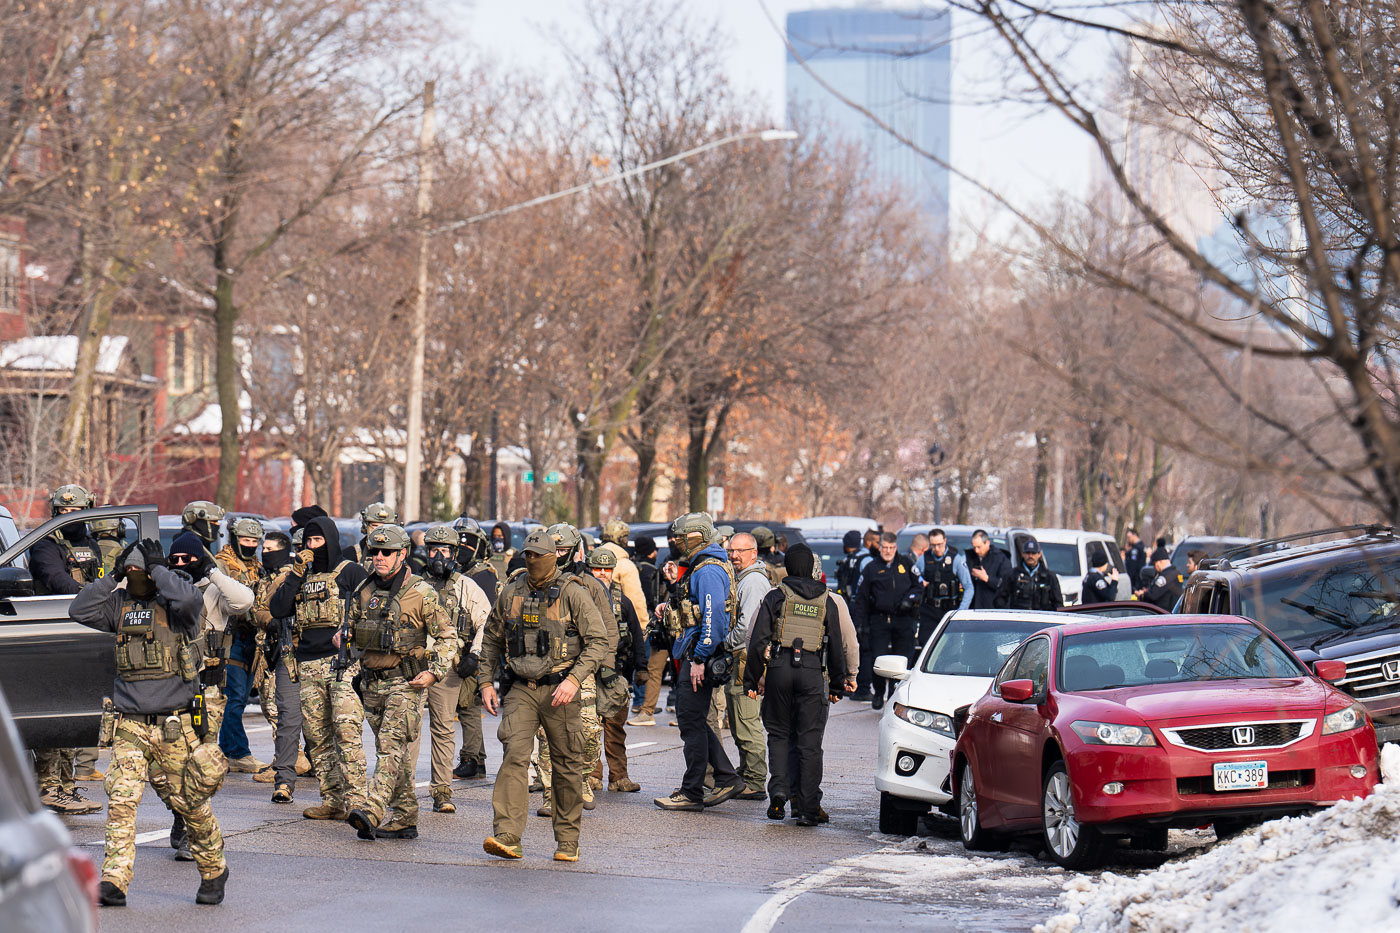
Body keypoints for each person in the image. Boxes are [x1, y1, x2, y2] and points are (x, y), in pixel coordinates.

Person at [70, 538, 228, 907]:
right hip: (130, 725)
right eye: (133, 571)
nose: (137, 577)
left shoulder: (176, 608)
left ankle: (214, 868)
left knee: (190, 803)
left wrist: (158, 568)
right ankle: (114, 881)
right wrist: (112, 576)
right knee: (122, 803)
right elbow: (79, 609)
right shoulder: (119, 606)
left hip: (175, 726)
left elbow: (191, 600)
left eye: (141, 572)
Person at [479, 529, 608, 862]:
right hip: (521, 687)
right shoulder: (510, 593)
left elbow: (598, 641)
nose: (531, 560)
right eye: (528, 554)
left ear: (553, 557)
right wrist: (485, 683)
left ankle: (567, 840)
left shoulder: (572, 593)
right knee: (514, 757)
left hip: (561, 689)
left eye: (538, 555)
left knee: (566, 765)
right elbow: (492, 639)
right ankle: (507, 835)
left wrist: (575, 680)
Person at [344, 524, 460, 841]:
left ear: (402, 554)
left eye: (387, 552)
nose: (379, 557)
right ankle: (406, 815)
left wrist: (435, 671)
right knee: (394, 755)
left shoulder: (421, 592)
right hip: (370, 684)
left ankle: (373, 809)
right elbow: (353, 630)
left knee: (390, 746)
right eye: (375, 552)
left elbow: (450, 639)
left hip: (406, 683)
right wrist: (344, 638)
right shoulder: (364, 590)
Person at [268, 515, 371, 822]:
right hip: (307, 664)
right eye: (308, 542)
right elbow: (278, 609)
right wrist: (297, 573)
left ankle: (358, 801)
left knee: (346, 732)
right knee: (318, 737)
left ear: (330, 539)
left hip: (341, 664)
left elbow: (371, 607)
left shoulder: (350, 571)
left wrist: (357, 644)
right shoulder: (300, 573)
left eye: (318, 541)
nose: (312, 547)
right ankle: (333, 800)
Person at [744, 544, 847, 826]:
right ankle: (808, 809)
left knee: (778, 734)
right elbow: (836, 645)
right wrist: (837, 685)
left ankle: (778, 792)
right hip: (813, 672)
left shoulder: (776, 596)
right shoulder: (827, 600)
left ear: (788, 566)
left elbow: (758, 641)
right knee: (809, 742)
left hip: (779, 670)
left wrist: (751, 680)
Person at [653, 512, 744, 812]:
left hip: (699, 656)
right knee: (695, 721)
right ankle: (727, 777)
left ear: (697, 537)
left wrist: (700, 658)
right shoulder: (701, 566)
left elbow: (713, 617)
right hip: (695, 652)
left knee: (691, 723)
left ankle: (692, 791)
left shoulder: (707, 569)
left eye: (681, 537)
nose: (676, 541)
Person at [30, 484, 105, 812]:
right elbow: (56, 579)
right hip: (52, 634)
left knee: (72, 713)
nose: (68, 517)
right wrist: (90, 596)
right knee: (53, 713)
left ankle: (67, 785)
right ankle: (49, 786)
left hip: (82, 635)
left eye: (76, 512)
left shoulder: (90, 544)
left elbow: (101, 578)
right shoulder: (45, 545)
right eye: (63, 512)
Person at [533, 523, 614, 816]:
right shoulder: (532, 581)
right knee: (547, 735)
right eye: (553, 550)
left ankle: (581, 778)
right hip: (545, 668)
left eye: (563, 550)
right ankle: (550, 795)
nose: (558, 555)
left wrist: (608, 669)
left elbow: (608, 631)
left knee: (590, 732)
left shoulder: (590, 585)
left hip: (584, 668)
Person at [416, 525, 490, 813]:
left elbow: (487, 622)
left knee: (444, 729)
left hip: (449, 669)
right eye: (433, 549)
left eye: (444, 550)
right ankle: (401, 791)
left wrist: (475, 654)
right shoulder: (413, 583)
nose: (438, 555)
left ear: (454, 553)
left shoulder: (466, 586)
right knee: (408, 729)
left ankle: (442, 791)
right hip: (416, 664)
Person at [250, 530, 309, 803]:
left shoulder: (290, 575)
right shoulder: (265, 578)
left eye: (272, 548)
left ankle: (290, 760)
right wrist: (267, 619)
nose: (266, 552)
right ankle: (287, 760)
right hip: (267, 650)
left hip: (287, 649)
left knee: (279, 708)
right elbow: (258, 610)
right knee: (269, 704)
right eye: (265, 548)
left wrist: (272, 619)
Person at [212, 519, 270, 777]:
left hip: (253, 638)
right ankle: (236, 752)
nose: (250, 546)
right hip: (232, 636)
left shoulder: (258, 566)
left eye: (254, 542)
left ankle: (228, 750)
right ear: (235, 539)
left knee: (242, 697)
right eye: (245, 541)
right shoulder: (222, 563)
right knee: (233, 697)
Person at [586, 548, 645, 792]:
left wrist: (642, 668)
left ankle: (619, 777)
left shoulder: (623, 601)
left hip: (617, 676)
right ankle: (592, 776)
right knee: (588, 730)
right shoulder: (580, 596)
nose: (602, 573)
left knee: (615, 729)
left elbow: (637, 637)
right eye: (597, 568)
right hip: (587, 673)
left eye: (607, 569)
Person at [723, 532, 770, 799]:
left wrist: (725, 643)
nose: (734, 556)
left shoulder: (752, 581)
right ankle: (747, 772)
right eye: (732, 551)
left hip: (745, 660)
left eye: (741, 551)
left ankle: (754, 779)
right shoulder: (744, 578)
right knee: (740, 720)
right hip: (742, 658)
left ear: (754, 553)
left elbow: (747, 627)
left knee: (746, 720)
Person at [451, 517, 498, 779]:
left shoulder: (483, 575)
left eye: (468, 543)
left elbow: (486, 619)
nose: (463, 549)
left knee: (468, 704)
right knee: (465, 705)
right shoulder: (457, 575)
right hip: (458, 647)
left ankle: (471, 758)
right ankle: (476, 758)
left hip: (477, 647)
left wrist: (476, 652)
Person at [851, 532, 919, 710]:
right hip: (880, 619)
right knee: (879, 658)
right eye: (885, 548)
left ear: (896, 547)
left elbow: (919, 586)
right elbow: (861, 597)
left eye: (891, 548)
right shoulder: (871, 568)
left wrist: (909, 601)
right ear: (880, 547)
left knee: (902, 659)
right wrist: (859, 623)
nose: (888, 551)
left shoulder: (906, 563)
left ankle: (894, 694)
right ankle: (879, 692)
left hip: (903, 618)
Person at [916, 529, 972, 659]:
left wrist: (961, 611)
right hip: (929, 610)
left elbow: (969, 587)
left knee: (950, 652)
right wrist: (920, 583)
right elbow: (914, 577)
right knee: (926, 647)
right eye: (933, 545)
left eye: (939, 544)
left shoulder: (956, 560)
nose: (936, 548)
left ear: (945, 541)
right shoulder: (923, 559)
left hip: (949, 610)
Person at [597, 519, 648, 629]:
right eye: (626, 536)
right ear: (621, 538)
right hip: (620, 628)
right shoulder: (625, 565)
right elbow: (635, 601)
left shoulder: (592, 561)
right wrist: (643, 628)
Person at [998, 537, 1063, 611]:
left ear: (1039, 554)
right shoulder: (1012, 575)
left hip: (1041, 618)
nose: (1030, 556)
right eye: (1028, 553)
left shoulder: (1049, 577)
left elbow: (1058, 603)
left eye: (1033, 553)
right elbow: (999, 600)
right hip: (1018, 618)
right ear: (1022, 554)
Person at [966, 529, 1011, 610]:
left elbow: (1006, 585)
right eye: (974, 547)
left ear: (987, 543)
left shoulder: (1000, 558)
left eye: (979, 547)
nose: (976, 550)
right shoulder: (969, 557)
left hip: (992, 607)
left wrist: (987, 579)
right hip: (972, 607)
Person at [345, 502, 398, 567]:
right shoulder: (350, 555)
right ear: (365, 526)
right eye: (375, 526)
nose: (380, 530)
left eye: (386, 527)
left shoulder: (401, 556)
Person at [1138, 545, 1183, 611]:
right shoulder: (1176, 573)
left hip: (1162, 613)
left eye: (1154, 564)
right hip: (1171, 612)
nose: (1154, 567)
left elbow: (1153, 595)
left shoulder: (1166, 576)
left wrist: (1142, 595)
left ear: (1159, 562)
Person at [834, 530, 864, 599]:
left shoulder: (849, 561)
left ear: (847, 544)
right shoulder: (862, 558)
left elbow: (844, 582)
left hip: (849, 599)